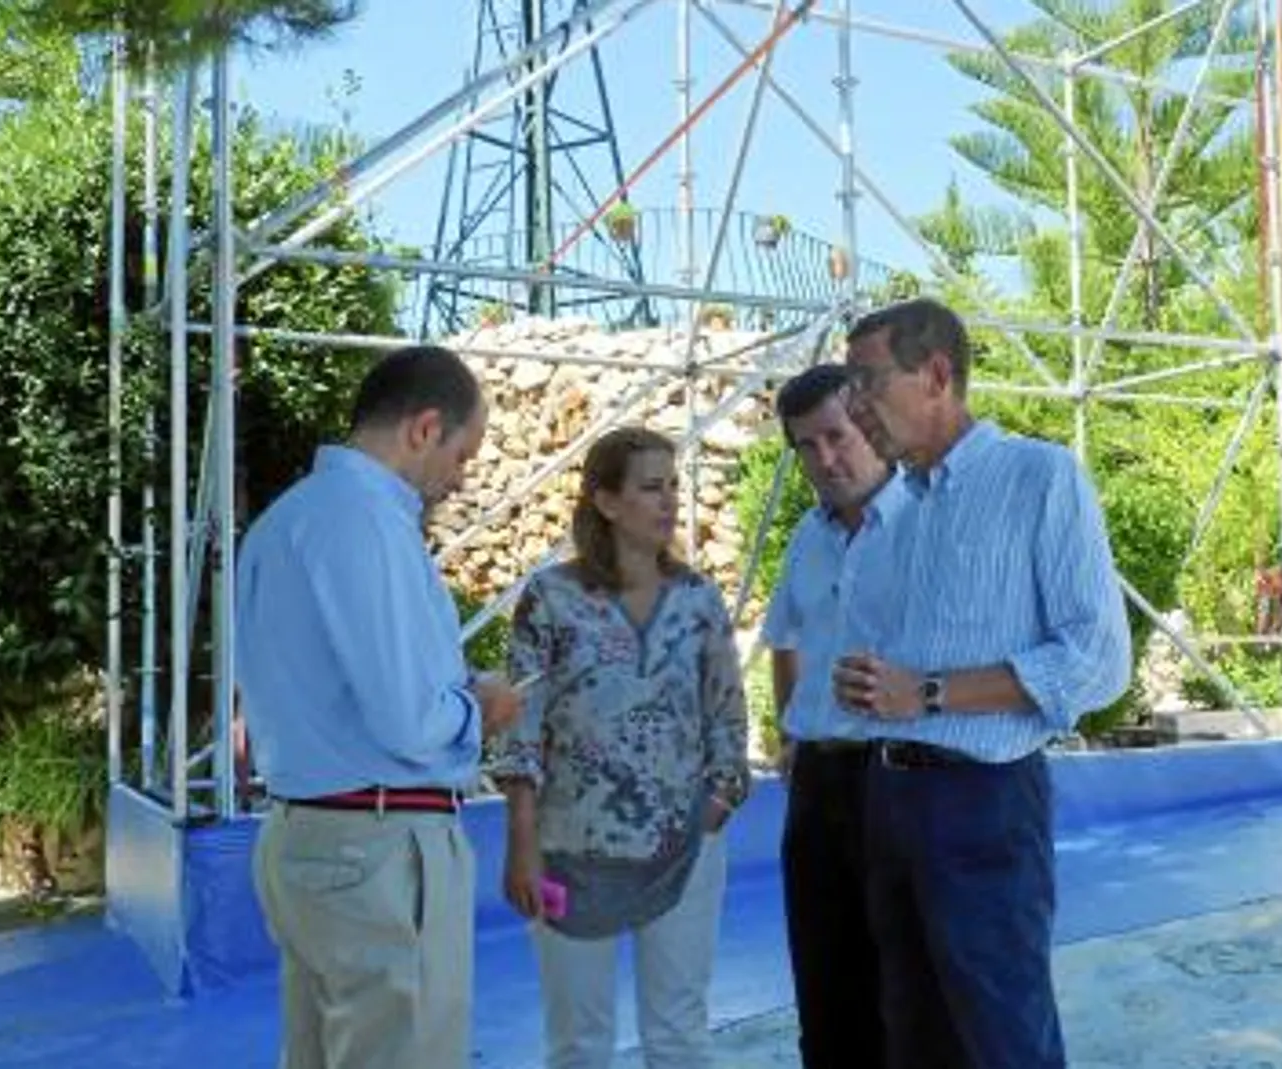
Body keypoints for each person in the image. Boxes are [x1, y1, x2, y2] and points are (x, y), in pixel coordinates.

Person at [831, 297, 1132, 1069]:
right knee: (913, 1034)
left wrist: (926, 692)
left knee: (1002, 1037)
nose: (855, 405)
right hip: (888, 798)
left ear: (935, 375)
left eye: (867, 382)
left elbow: (1097, 658)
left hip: (985, 801)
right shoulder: (897, 512)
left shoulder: (1039, 477)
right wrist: (868, 687)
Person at [235, 344, 523, 1069]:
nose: (459, 480)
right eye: (462, 454)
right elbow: (408, 719)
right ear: (424, 428)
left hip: (312, 834)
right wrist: (477, 707)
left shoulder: (286, 520)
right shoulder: (366, 521)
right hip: (380, 843)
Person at [487, 426, 752, 1069]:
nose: (669, 503)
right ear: (606, 501)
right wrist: (523, 839)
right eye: (651, 488)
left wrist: (715, 804)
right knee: (578, 1041)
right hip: (568, 855)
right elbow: (520, 726)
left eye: (674, 488)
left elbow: (727, 715)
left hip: (685, 849)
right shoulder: (550, 599)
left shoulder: (697, 600)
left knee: (679, 1034)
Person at [759, 364, 909, 1069]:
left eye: (836, 435)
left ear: (869, 425)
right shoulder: (806, 540)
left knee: (909, 984)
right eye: (806, 445)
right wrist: (792, 734)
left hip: (903, 778)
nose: (826, 458)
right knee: (824, 981)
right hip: (819, 784)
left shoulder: (926, 524)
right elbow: (783, 637)